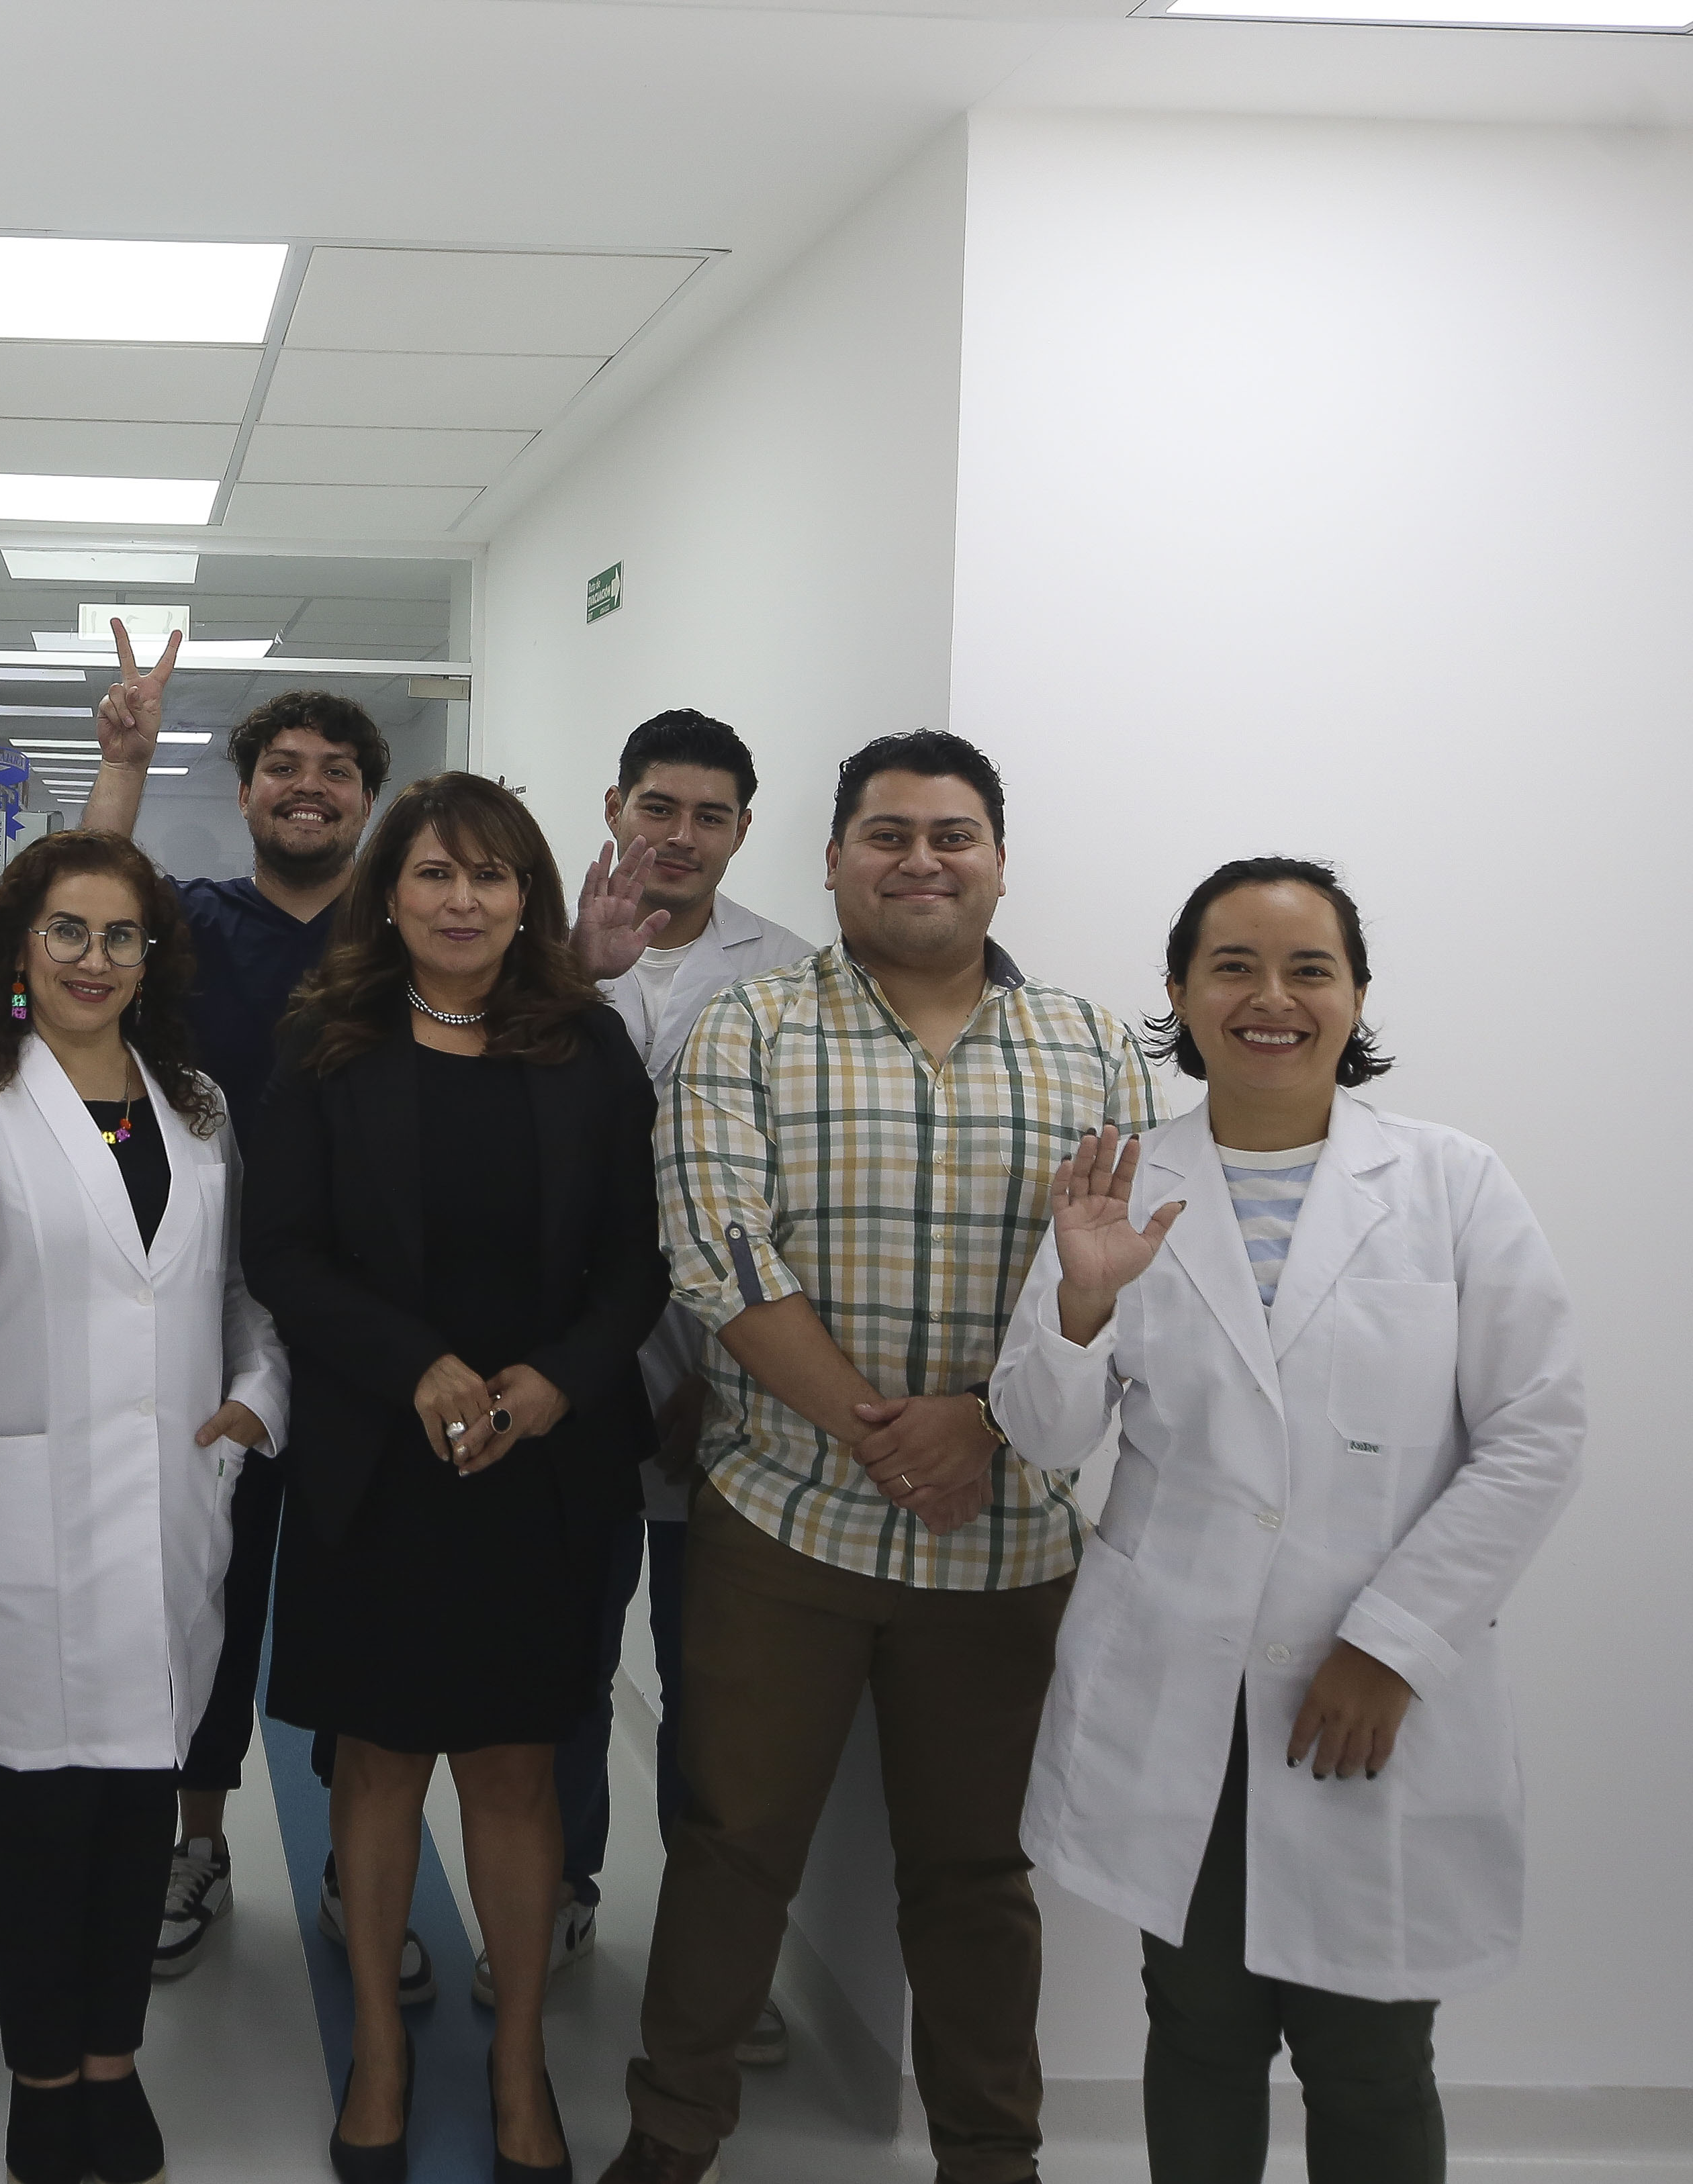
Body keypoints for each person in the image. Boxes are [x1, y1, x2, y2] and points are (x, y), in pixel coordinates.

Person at [600, 731, 1160, 2184]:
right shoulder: (751, 1026)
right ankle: (670, 2136)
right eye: (888, 833)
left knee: (977, 1875)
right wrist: (888, 1432)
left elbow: (1110, 1275)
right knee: (731, 1846)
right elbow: (718, 1252)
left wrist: (983, 1423)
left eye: (952, 834)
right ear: (836, 856)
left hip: (1006, 1538)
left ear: (997, 861)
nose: (921, 859)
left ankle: (991, 2155)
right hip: (785, 1522)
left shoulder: (1096, 1047)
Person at [991, 859, 1583, 2184]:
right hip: (1180, 1687)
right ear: (1180, 992)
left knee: (1369, 2052)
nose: (1271, 998)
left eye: (1309, 968)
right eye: (1233, 967)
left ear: (1356, 994)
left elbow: (1536, 1429)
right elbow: (1043, 1434)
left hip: (1365, 1694)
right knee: (1199, 2028)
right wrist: (1081, 1302)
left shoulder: (1450, 1183)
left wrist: (1392, 1643)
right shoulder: (1120, 1184)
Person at [246, 773, 672, 2184]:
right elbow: (282, 1249)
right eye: (434, 873)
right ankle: (376, 2046)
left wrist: (553, 1380)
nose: (463, 900)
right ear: (389, 892)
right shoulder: (327, 1041)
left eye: (491, 876)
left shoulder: (586, 1046)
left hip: (540, 1470)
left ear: (526, 897)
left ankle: (515, 2063)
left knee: (515, 1766)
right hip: (379, 1465)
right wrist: (414, 1364)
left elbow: (635, 1264)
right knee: (376, 1761)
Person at [0, 831, 291, 2184]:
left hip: (167, 1512)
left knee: (136, 1809)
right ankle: (42, 2079)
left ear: (151, 957)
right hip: (29, 1513)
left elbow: (235, 1292)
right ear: (18, 949)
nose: (93, 959)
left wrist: (258, 1395)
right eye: (66, 931)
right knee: (46, 1817)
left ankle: (115, 2060)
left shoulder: (197, 1105)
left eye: (121, 936)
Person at [79, 628, 418, 1993]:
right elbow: (82, 893)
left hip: (362, 1329)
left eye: (336, 770)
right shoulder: (192, 922)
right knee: (205, 1588)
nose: (308, 786)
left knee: (358, 1597)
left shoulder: (402, 935)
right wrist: (120, 761)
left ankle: (358, 1864)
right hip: (204, 1314)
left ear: (367, 801)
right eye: (284, 765)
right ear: (245, 791)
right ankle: (196, 1841)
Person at [509, 711, 811, 2064]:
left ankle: (711, 1962)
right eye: (656, 807)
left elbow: (793, 1201)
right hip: (568, 1385)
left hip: (725, 1393)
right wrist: (572, 977)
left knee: (715, 1694)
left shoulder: (790, 974)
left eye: (708, 814)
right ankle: (562, 1892)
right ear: (614, 807)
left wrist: (725, 1367)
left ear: (741, 829)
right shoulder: (535, 957)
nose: (678, 836)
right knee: (566, 1667)